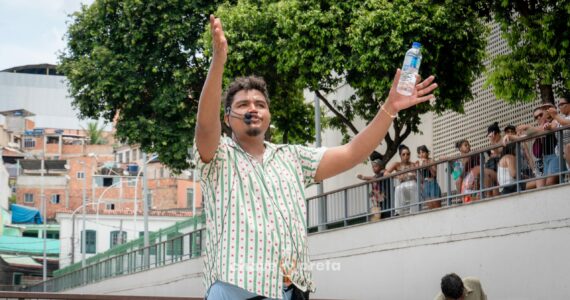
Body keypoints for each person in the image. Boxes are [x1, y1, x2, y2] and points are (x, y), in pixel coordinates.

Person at [196, 15, 437, 299]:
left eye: (260, 104)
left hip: (291, 289)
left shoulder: (292, 157)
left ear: (269, 115)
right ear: (228, 117)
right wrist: (218, 61)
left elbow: (352, 152)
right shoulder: (219, 157)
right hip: (235, 289)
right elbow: (205, 125)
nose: (254, 108)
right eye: (243, 104)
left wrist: (390, 106)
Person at [384, 145, 418, 215]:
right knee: (398, 188)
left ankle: (414, 210)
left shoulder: (413, 164)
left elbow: (418, 175)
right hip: (403, 185)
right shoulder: (397, 164)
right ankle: (398, 211)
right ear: (400, 155)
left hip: (412, 184)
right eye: (403, 154)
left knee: (413, 185)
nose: (406, 156)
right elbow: (386, 173)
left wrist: (414, 174)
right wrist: (397, 176)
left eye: (408, 154)